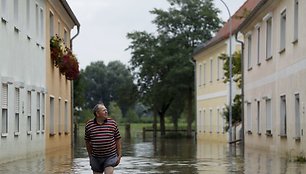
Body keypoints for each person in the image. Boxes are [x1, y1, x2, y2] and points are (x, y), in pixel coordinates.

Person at [85, 103, 122, 174]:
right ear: (97, 113)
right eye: (104, 110)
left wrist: (119, 155)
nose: (106, 112)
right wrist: (90, 156)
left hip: (110, 156)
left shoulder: (112, 123)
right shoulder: (89, 125)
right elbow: (87, 141)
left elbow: (118, 139)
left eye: (106, 110)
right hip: (96, 157)